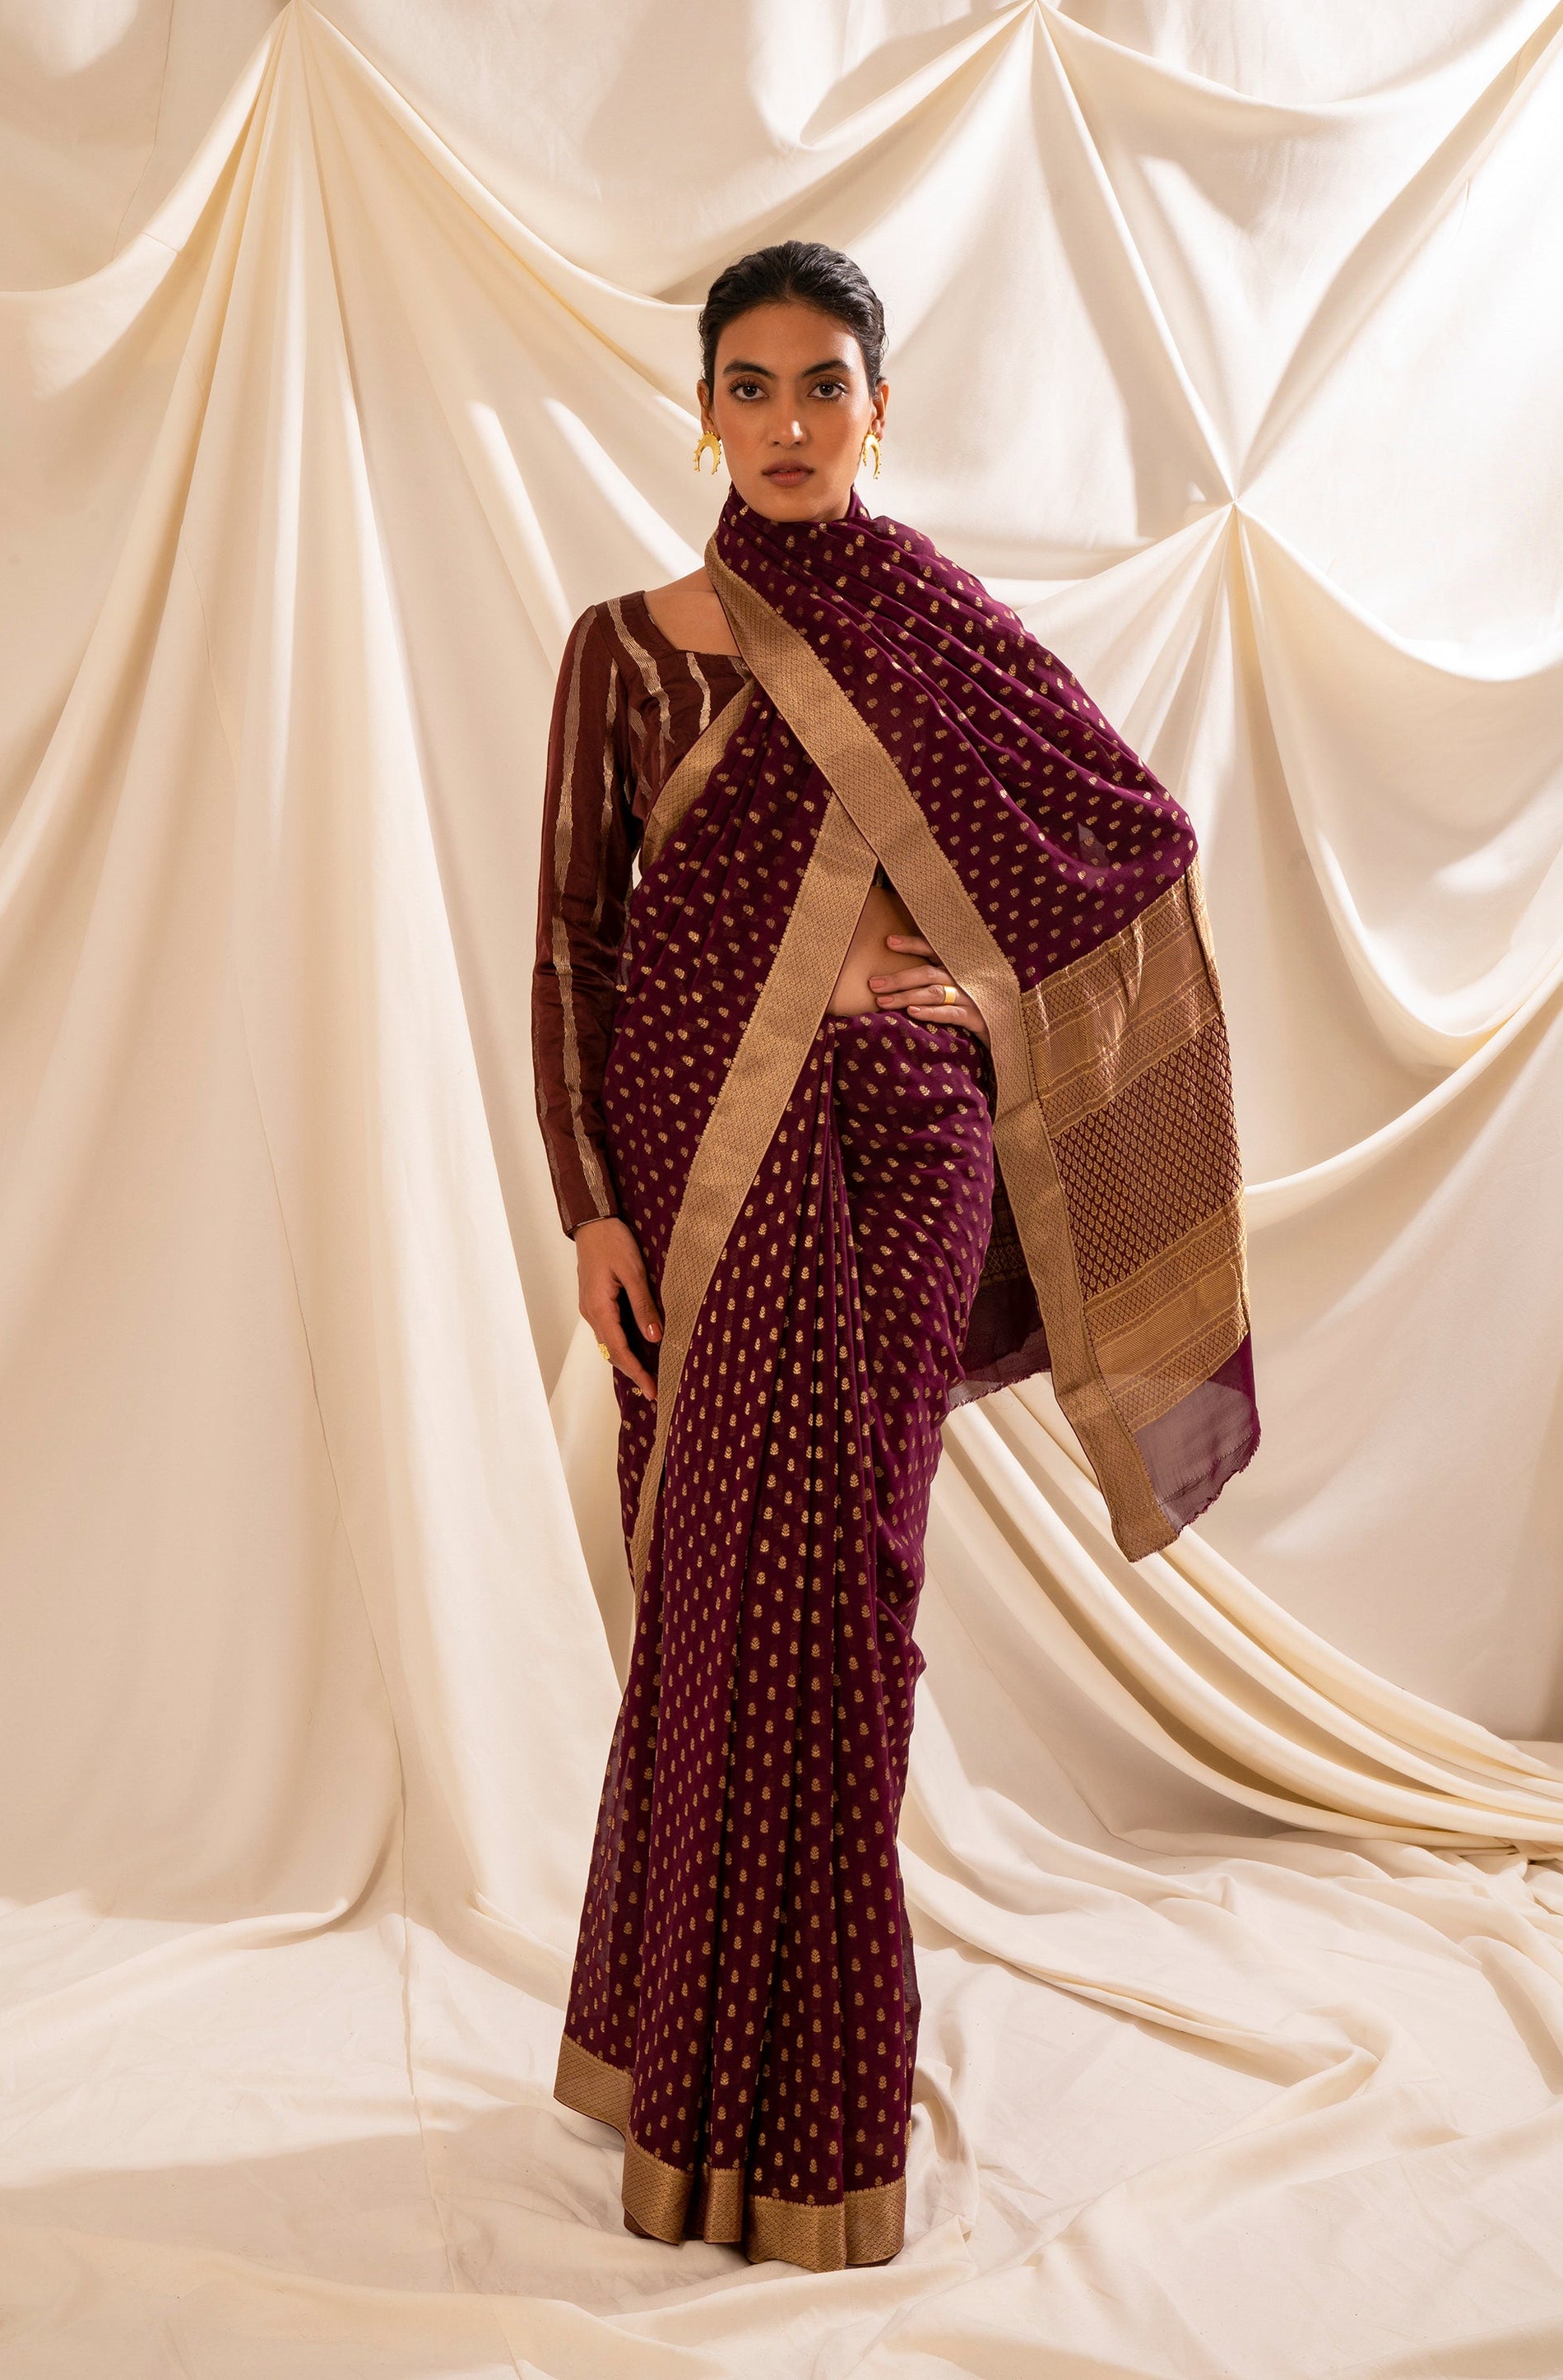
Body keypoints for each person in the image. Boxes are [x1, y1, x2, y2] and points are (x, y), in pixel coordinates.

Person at [531, 240, 1258, 2273]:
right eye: (747, 385)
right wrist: (589, 1202)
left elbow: (1129, 837)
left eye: (822, 384)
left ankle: (818, 2100)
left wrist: (967, 980)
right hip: (701, 1166)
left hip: (915, 1137)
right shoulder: (626, 648)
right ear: (702, 410)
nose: (785, 423)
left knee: (852, 1580)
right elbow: (574, 938)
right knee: (718, 1589)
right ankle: (685, 2070)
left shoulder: (936, 633)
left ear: (880, 407)